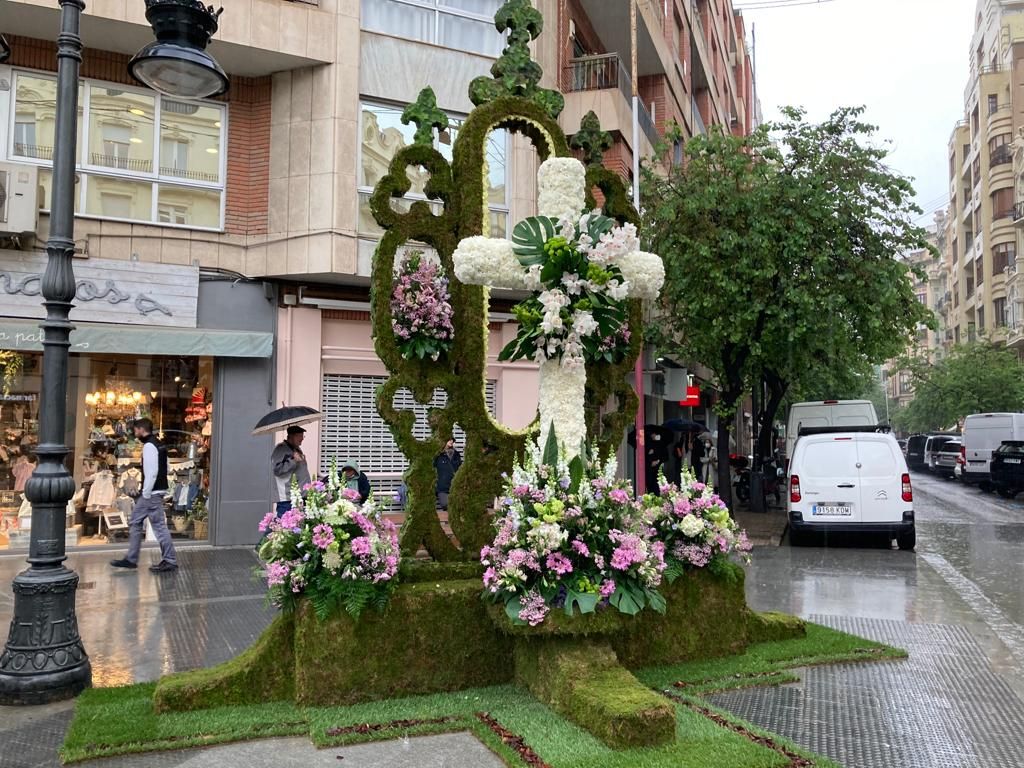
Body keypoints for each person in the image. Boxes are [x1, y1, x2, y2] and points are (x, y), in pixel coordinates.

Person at [110, 418, 178, 573]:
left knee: (139, 522)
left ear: (141, 429)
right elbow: (166, 467)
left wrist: (146, 493)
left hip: (151, 493)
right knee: (148, 523)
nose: (135, 433)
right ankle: (165, 559)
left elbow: (151, 472)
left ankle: (136, 559)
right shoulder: (160, 444)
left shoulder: (149, 446)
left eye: (136, 430)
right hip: (157, 490)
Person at [271, 425, 310, 516]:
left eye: (302, 436)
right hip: (288, 499)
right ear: (291, 436)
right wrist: (293, 461)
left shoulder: (296, 448)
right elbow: (277, 470)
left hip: (300, 497)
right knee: (285, 527)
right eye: (299, 436)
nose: (302, 439)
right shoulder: (281, 449)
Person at [433, 437, 462, 510]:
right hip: (442, 488)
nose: (451, 441)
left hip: (455, 487)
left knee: (459, 507)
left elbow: (460, 468)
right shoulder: (438, 455)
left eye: (452, 440)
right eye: (449, 439)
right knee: (447, 505)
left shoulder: (457, 455)